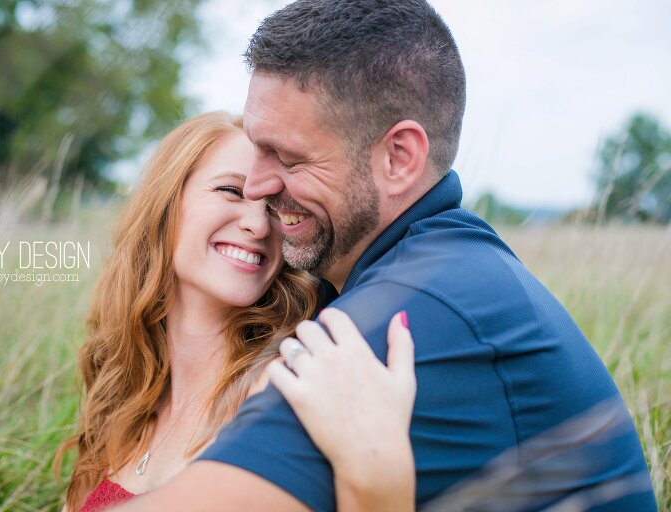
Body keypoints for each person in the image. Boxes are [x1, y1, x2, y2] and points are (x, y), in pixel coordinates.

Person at [114, 1, 657, 511]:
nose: (256, 185)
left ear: (399, 157)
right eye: (258, 147)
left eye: (288, 156)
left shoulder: (414, 314)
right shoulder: (431, 268)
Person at [56, 112, 417, 512]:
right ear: (165, 202)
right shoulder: (127, 391)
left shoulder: (280, 388)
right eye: (231, 190)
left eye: (278, 209)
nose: (258, 226)